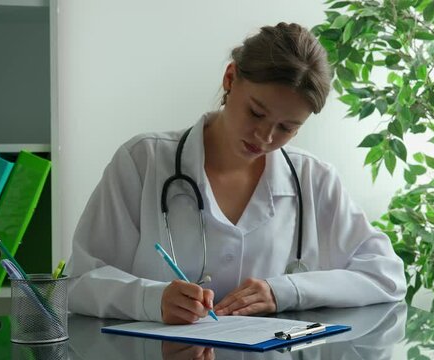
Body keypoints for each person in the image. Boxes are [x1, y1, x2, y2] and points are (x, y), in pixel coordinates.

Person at [67, 22, 406, 325]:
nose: (265, 137)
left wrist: (285, 291)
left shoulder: (313, 179)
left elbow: (386, 276)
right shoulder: (143, 161)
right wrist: (151, 299)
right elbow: (79, 282)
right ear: (230, 79)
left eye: (287, 128)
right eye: (256, 113)